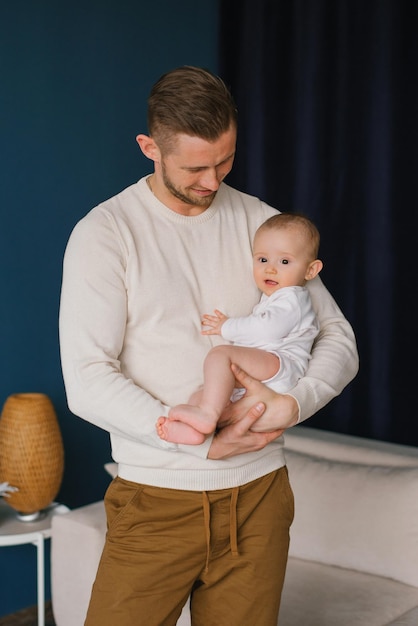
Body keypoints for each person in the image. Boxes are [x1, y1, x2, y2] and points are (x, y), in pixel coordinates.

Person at [59, 66, 358, 626]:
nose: (213, 181)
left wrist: (295, 404)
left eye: (225, 160)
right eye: (196, 167)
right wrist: (198, 445)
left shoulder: (262, 221)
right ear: (150, 147)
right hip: (157, 499)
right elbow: (87, 377)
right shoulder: (104, 234)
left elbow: (337, 335)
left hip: (261, 495)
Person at [157, 212, 323, 445]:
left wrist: (227, 326)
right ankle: (200, 430)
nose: (270, 269)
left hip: (281, 362)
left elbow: (267, 330)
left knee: (220, 355)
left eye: (284, 261)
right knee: (203, 394)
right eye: (262, 260)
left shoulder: (292, 298)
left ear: (311, 270)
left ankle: (207, 415)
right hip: (267, 371)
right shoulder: (276, 296)